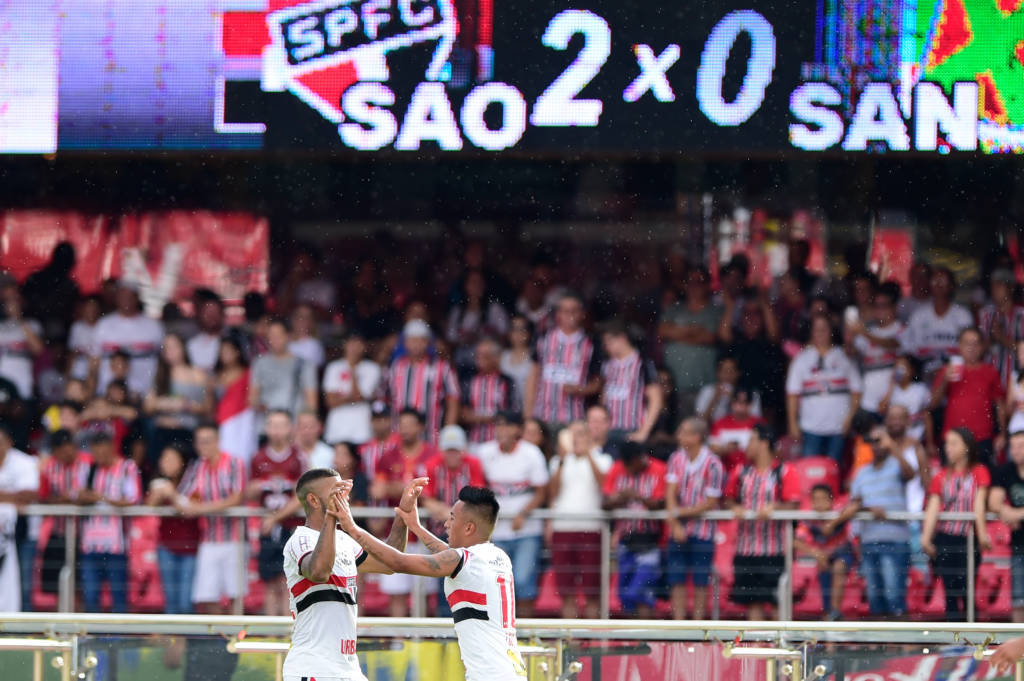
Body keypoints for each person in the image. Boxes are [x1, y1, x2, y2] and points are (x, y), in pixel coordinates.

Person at [334, 484, 529, 681]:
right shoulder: (497, 556)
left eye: (452, 518)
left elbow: (398, 562)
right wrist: (416, 527)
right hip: (510, 672)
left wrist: (352, 528)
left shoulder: (464, 560)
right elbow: (449, 555)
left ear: (469, 527)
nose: (446, 524)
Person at [279, 470, 424, 681]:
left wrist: (403, 512)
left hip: (348, 669)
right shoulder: (300, 539)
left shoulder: (343, 540)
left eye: (344, 490)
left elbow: (389, 563)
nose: (344, 496)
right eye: (336, 491)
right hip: (313, 668)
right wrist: (331, 516)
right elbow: (319, 572)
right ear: (313, 500)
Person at [828, 422, 914, 619]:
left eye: (879, 440)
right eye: (872, 441)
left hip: (895, 541)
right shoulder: (862, 472)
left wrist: (892, 446)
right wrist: (869, 510)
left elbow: (910, 474)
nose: (875, 445)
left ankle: (901, 638)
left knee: (894, 596)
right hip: (869, 541)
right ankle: (881, 639)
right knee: (875, 599)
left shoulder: (896, 464)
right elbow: (854, 504)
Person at [477, 411, 548, 617]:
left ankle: (524, 631)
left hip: (527, 530)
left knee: (523, 581)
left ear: (518, 429)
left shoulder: (531, 453)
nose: (502, 430)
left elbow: (542, 492)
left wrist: (523, 514)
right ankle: (502, 631)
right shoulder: (484, 452)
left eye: (507, 425)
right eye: (499, 425)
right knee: (496, 583)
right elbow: (479, 487)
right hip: (495, 531)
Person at [725, 424, 800, 620]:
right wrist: (735, 507)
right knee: (752, 602)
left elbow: (793, 504)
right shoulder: (741, 471)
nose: (747, 446)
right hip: (746, 549)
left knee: (777, 601)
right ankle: (756, 639)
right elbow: (727, 499)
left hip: (775, 550)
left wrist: (775, 508)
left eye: (751, 440)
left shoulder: (784, 471)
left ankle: (779, 640)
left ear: (764, 443)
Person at [371, 408, 440, 616]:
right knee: (396, 593)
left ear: (421, 427)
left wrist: (397, 489)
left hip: (425, 535)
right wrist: (410, 490)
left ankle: (424, 637)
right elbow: (377, 490)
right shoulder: (388, 457)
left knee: (426, 595)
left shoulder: (433, 455)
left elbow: (434, 492)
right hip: (396, 533)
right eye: (402, 424)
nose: (405, 429)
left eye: (410, 424)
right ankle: (399, 636)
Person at [175, 423, 248, 614]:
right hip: (209, 538)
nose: (203, 447)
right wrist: (173, 497)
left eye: (207, 441)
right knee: (206, 596)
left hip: (234, 538)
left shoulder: (234, 463)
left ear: (217, 441)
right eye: (200, 442)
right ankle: (224, 631)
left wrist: (200, 508)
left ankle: (234, 631)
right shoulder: (197, 467)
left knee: (235, 594)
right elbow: (184, 497)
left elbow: (237, 498)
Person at [921, 427, 992, 621]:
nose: (948, 448)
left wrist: (982, 534)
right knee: (950, 590)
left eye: (953, 443)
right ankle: (954, 631)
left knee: (968, 588)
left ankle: (972, 631)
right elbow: (933, 506)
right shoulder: (941, 475)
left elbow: (979, 503)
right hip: (946, 538)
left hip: (968, 539)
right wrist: (925, 538)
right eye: (947, 444)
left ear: (966, 447)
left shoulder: (978, 472)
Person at [419, 425, 486, 615]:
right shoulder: (433, 465)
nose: (452, 455)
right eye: (449, 451)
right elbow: (427, 499)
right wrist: (455, 516)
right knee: (445, 581)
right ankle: (446, 621)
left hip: (466, 533)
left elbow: (477, 497)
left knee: (466, 579)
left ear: (462, 450)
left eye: (455, 450)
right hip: (442, 532)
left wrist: (450, 514)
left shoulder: (473, 464)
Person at [548, 421, 612, 619]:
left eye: (581, 434)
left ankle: (593, 633)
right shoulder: (558, 461)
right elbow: (553, 492)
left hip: (590, 529)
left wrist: (588, 454)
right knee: (566, 590)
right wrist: (563, 459)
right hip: (562, 528)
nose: (576, 439)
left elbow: (604, 484)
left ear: (590, 437)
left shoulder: (603, 459)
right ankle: (570, 633)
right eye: (572, 434)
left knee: (592, 589)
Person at [665, 418, 724, 620]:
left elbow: (711, 502)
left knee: (701, 582)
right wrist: (675, 523)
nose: (678, 436)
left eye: (683, 432)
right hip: (678, 528)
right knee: (676, 580)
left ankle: (698, 627)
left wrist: (680, 513)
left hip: (703, 532)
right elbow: (670, 493)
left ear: (696, 437)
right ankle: (678, 626)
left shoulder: (713, 463)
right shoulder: (676, 459)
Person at [78, 432, 142, 613]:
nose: (99, 457)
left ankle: (119, 631)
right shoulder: (90, 469)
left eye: (102, 452)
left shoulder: (127, 467)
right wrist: (86, 497)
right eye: (95, 453)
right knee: (90, 595)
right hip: (90, 544)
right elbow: (80, 495)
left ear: (111, 448)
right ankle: (92, 630)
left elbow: (133, 499)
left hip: (117, 545)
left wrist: (101, 497)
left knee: (118, 595)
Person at [249, 411, 304, 617]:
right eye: (273, 425)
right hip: (267, 529)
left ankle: (287, 630)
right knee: (269, 581)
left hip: (291, 527)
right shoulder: (258, 458)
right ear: (267, 428)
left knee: (287, 581)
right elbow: (249, 492)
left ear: (290, 428)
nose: (277, 431)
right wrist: (257, 488)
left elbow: (302, 495)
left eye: (282, 425)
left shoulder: (298, 457)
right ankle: (272, 629)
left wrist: (276, 517)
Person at [602, 441, 666, 618]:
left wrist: (638, 497)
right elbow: (605, 503)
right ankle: (632, 634)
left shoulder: (659, 469)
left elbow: (661, 504)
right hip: (625, 540)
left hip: (650, 541)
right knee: (624, 593)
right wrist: (621, 498)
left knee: (641, 592)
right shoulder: (617, 468)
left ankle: (646, 633)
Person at [786, 313, 863, 460]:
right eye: (817, 329)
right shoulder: (801, 359)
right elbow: (792, 394)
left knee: (833, 469)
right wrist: (792, 423)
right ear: (811, 332)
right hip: (810, 428)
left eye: (824, 329)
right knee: (810, 468)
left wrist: (850, 418)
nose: (820, 333)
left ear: (831, 331)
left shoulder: (844, 357)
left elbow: (857, 391)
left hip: (838, 427)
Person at [525, 292, 600, 433]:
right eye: (565, 311)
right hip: (542, 416)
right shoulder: (544, 339)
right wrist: (528, 415)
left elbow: (598, 383)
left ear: (582, 314)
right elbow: (533, 377)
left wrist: (580, 390)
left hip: (574, 418)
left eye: (574, 310)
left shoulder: (591, 343)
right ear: (558, 314)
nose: (569, 315)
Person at [930, 328, 1005, 468]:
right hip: (953, 437)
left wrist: (1002, 434)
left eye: (975, 343)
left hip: (982, 438)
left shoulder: (990, 372)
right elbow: (933, 403)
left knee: (981, 478)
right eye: (967, 343)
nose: (971, 348)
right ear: (959, 345)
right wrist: (945, 379)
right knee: (950, 479)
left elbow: (1000, 405)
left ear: (982, 347)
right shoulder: (948, 370)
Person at [658, 267, 722, 415]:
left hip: (705, 383)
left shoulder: (716, 310)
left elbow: (710, 337)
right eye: (691, 282)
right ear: (685, 285)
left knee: (702, 424)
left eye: (699, 282)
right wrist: (695, 330)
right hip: (675, 385)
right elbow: (662, 331)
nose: (695, 286)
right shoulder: (674, 308)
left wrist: (677, 332)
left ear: (707, 285)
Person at [385, 319, 461, 444]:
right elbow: (386, 398)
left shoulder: (442, 368)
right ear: (405, 342)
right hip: (399, 437)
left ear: (428, 342)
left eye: (421, 340)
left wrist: (447, 432)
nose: (416, 344)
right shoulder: (395, 367)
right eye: (412, 340)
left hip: (431, 437)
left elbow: (453, 400)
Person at [145, 444, 200, 615]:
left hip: (190, 548)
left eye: (171, 459)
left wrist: (172, 495)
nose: (166, 463)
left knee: (185, 601)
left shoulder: (194, 481)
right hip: (166, 547)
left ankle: (189, 633)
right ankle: (174, 634)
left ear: (182, 462)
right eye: (164, 459)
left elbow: (191, 509)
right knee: (171, 601)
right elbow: (148, 507)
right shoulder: (159, 483)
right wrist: (158, 494)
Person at [143, 334, 212, 462]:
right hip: (162, 432)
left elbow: (208, 408)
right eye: (166, 348)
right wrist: (167, 404)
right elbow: (147, 407)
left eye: (174, 347)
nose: (170, 351)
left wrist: (187, 406)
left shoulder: (199, 375)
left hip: (188, 433)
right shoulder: (159, 374)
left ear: (183, 348)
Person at [91, 284, 164, 397]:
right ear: (116, 298)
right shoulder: (103, 324)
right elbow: (94, 360)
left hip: (145, 392)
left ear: (137, 298)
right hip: (107, 392)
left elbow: (162, 361)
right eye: (122, 296)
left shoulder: (153, 326)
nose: (126, 300)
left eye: (130, 296)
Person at [599, 320, 663, 449]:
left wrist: (644, 432)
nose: (606, 346)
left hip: (632, 429)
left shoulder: (642, 364)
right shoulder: (607, 365)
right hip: (609, 430)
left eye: (609, 341)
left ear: (622, 338)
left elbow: (656, 400)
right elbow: (604, 397)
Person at [903, 267, 973, 383]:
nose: (939, 284)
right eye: (935, 280)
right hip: (923, 372)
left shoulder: (963, 315)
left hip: (955, 372)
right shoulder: (918, 315)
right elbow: (909, 349)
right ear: (928, 285)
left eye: (943, 281)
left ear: (952, 286)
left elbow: (970, 350)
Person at [794, 485, 853, 621]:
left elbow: (852, 508)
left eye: (823, 499)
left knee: (838, 567)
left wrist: (833, 523)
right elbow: (796, 540)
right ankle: (829, 613)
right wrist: (815, 552)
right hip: (824, 557)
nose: (820, 503)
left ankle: (835, 611)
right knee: (824, 571)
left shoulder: (838, 511)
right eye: (816, 499)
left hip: (843, 553)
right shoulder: (809, 519)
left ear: (831, 500)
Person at [848, 282, 905, 419]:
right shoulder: (869, 331)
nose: (879, 310)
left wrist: (864, 333)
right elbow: (851, 353)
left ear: (894, 308)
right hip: (868, 399)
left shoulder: (901, 328)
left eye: (884, 305)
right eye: (876, 306)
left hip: (894, 398)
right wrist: (849, 337)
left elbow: (894, 344)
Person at [250, 318, 318, 425]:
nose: (274, 340)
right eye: (271, 336)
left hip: (294, 425)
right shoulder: (259, 363)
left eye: (278, 336)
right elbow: (252, 398)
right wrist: (260, 405)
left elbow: (311, 402)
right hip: (267, 426)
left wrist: (305, 424)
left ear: (288, 336)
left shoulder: (304, 364)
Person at [0, 425, 39, 612]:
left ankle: (23, 625)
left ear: (9, 442)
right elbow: (19, 496)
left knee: (24, 584)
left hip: (22, 534)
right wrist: (12, 497)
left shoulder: (24, 462)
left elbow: (29, 495)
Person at [323, 331, 382, 447]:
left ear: (364, 346)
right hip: (337, 428)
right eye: (351, 343)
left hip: (361, 429)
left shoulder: (372, 368)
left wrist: (352, 370)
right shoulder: (333, 367)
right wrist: (350, 398)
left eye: (358, 344)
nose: (354, 348)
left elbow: (358, 396)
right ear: (345, 345)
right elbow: (330, 401)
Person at [989, 430, 1024, 623]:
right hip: (1019, 544)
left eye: (1021, 446)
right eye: (1013, 446)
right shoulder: (1005, 470)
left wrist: (1014, 514)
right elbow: (993, 503)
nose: (1015, 450)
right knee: (1018, 599)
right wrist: (1007, 512)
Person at [446, 269, 510, 374]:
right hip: (462, 364)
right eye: (473, 282)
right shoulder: (457, 312)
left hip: (489, 364)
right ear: (465, 286)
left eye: (480, 282)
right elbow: (450, 340)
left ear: (485, 285)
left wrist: (484, 338)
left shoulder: (495, 309)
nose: (476, 286)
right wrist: (465, 340)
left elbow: (505, 336)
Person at [462, 338, 515, 452]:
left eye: (485, 355)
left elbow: (510, 413)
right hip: (474, 441)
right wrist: (492, 416)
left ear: (496, 357)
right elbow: (464, 414)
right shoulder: (470, 381)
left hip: (498, 442)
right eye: (478, 355)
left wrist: (477, 417)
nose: (480, 359)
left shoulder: (506, 382)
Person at [213, 337, 256, 464]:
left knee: (242, 453)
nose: (225, 354)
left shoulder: (248, 373)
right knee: (224, 454)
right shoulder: (216, 375)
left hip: (242, 419)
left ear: (237, 352)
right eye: (222, 351)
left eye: (229, 351)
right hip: (222, 420)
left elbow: (252, 398)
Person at [979, 269, 1023, 389]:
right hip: (989, 381)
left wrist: (1002, 338)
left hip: (1015, 381)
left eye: (999, 285)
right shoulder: (985, 314)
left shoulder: (1021, 315)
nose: (994, 290)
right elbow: (977, 349)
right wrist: (992, 338)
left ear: (1011, 287)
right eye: (993, 286)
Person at [879, 355, 934, 450]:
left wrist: (930, 443)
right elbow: (881, 409)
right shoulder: (891, 389)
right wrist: (892, 386)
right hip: (895, 435)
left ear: (911, 370)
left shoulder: (920, 388)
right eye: (897, 367)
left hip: (916, 435)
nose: (900, 371)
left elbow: (926, 416)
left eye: (903, 367)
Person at [0, 282, 44, 400]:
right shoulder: (1, 326)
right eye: (8, 301)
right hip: (3, 380)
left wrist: (19, 319)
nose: (12, 305)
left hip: (23, 380)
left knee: (22, 407)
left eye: (15, 300)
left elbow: (38, 350)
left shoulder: (32, 324)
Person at [709, 389, 764, 474]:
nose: (741, 406)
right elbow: (712, 449)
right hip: (726, 473)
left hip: (753, 473)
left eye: (745, 402)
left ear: (751, 404)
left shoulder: (760, 423)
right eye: (738, 401)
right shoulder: (720, 423)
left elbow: (767, 449)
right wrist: (725, 449)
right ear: (731, 403)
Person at [695, 356, 762, 425]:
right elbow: (700, 421)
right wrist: (715, 398)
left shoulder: (751, 392)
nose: (727, 375)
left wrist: (735, 399)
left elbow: (756, 419)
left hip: (743, 429)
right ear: (717, 373)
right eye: (724, 371)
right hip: (714, 429)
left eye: (731, 371)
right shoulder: (707, 391)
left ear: (739, 373)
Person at [500, 316, 535, 407]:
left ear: (529, 333)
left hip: (529, 407)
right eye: (514, 329)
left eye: (522, 329)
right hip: (507, 409)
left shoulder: (535, 357)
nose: (518, 333)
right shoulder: (502, 357)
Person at [68, 295, 102, 382]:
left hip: (100, 368)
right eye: (88, 307)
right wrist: (68, 373)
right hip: (80, 368)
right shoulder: (76, 327)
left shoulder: (103, 326)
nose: (91, 311)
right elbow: (72, 353)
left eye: (94, 308)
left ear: (99, 310)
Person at [186, 296, 225, 372]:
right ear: (201, 315)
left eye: (214, 312)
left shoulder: (231, 340)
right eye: (208, 312)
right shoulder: (192, 343)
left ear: (221, 314)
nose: (211, 316)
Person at [288, 303, 325, 369]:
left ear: (311, 322)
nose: (303, 320)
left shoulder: (315, 345)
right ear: (293, 319)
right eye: (300, 316)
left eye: (307, 317)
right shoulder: (282, 340)